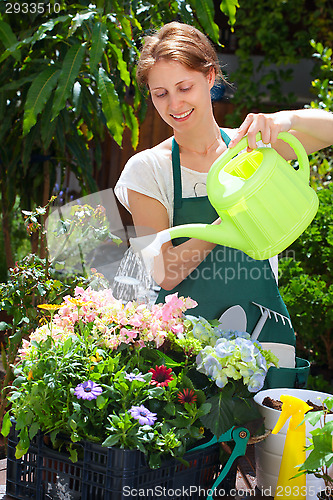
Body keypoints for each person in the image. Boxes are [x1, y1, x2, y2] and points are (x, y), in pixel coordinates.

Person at [115, 22, 333, 350]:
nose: (174, 105)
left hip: (264, 337)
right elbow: (165, 272)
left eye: (184, 87)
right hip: (184, 349)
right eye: (161, 94)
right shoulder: (148, 169)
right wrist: (230, 218)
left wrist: (286, 120)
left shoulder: (253, 149)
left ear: (210, 77)